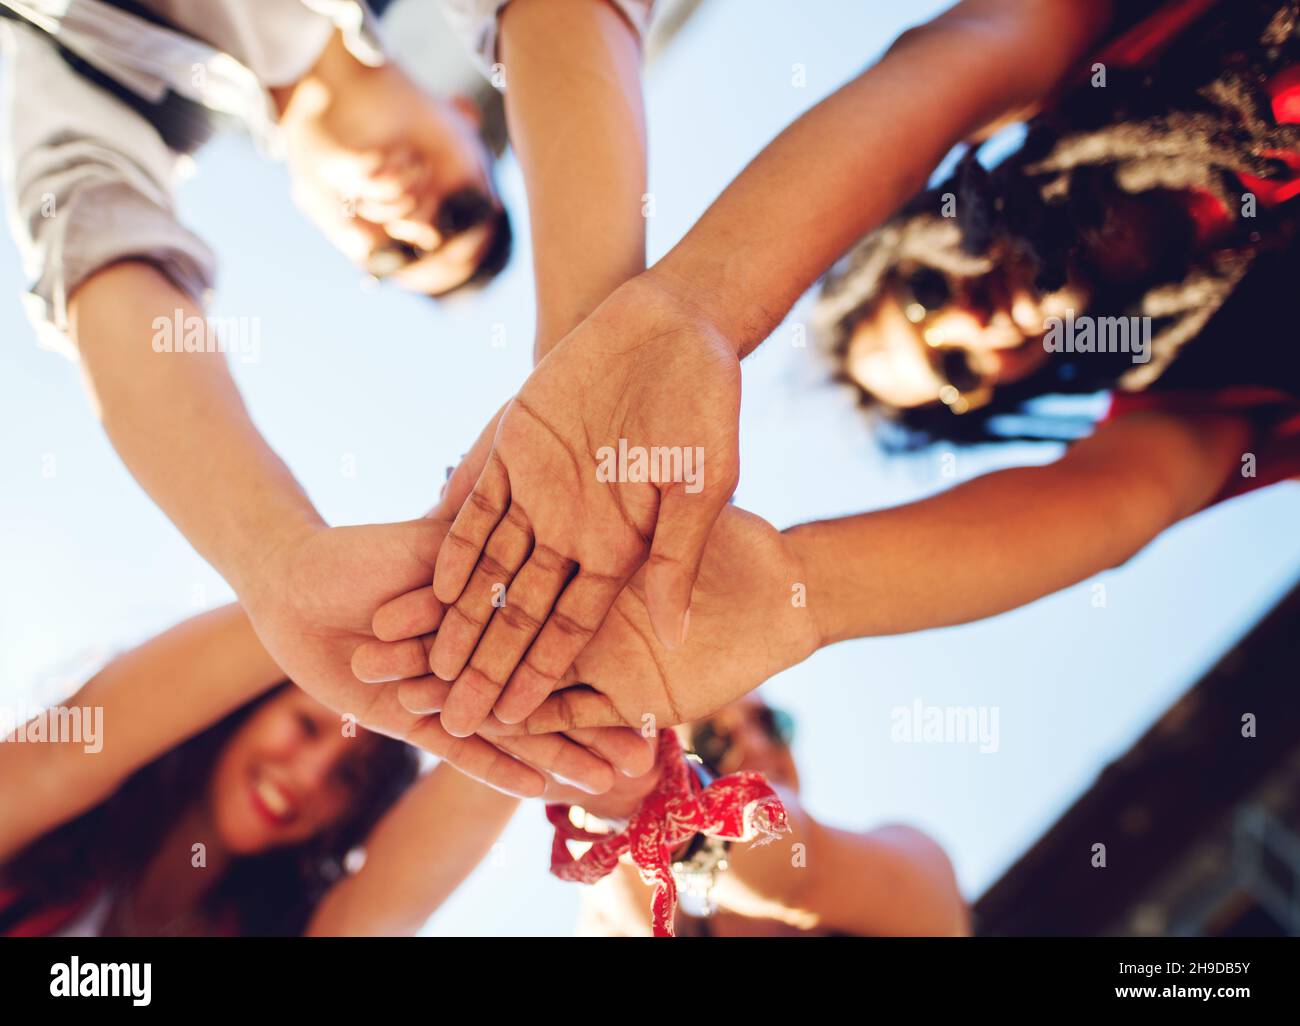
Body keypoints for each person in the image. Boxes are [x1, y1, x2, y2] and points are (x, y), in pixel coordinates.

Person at [405, 0, 1299, 737]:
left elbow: (941, 73)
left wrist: (698, 310)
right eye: (956, 372)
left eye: (919, 293)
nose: (966, 321)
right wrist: (800, 596)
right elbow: (1126, 501)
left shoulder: (1091, 55)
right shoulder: (1199, 393)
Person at [0, 0, 655, 793]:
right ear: (463, 115)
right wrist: (588, 367)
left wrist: (277, 564)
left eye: (392, 253)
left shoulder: (129, 99)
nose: (415, 222)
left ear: (327, 231)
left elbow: (100, 254)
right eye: (460, 209)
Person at [0, 604, 519, 936]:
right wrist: (344, 608)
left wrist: (521, 683)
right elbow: (64, 756)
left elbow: (385, 914)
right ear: (234, 714)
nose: (313, 775)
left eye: (349, 779)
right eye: (306, 726)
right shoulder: (40, 845)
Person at [569, 696, 969, 937]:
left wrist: (667, 820)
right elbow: (616, 893)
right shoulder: (633, 916)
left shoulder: (917, 868)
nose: (757, 745)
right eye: (713, 738)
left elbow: (799, 873)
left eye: (769, 723)